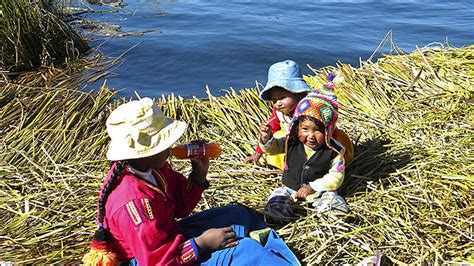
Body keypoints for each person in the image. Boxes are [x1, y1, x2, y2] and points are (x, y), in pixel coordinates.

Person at [82, 97, 300, 266]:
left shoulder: (151, 169)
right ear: (143, 152)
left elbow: (181, 206)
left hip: (168, 237)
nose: (170, 149)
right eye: (164, 145)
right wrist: (201, 244)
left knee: (236, 214)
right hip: (150, 259)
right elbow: (158, 261)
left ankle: (267, 248)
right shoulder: (133, 203)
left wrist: (198, 175)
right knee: (247, 251)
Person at [258, 88, 349, 223]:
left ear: (328, 131)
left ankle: (336, 220)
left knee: (333, 203)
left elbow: (336, 176)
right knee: (277, 199)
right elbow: (272, 149)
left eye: (318, 131)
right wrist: (266, 138)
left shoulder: (334, 150)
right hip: (290, 189)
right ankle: (277, 218)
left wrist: (313, 187)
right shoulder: (291, 140)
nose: (311, 136)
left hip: (319, 192)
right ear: (297, 126)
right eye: (305, 129)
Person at [244, 60, 353, 171]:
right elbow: (271, 130)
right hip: (293, 144)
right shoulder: (278, 112)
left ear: (298, 94)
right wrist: (258, 153)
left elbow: (328, 132)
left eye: (282, 98)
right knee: (276, 135)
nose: (278, 103)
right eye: (274, 99)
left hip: (317, 142)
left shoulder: (311, 109)